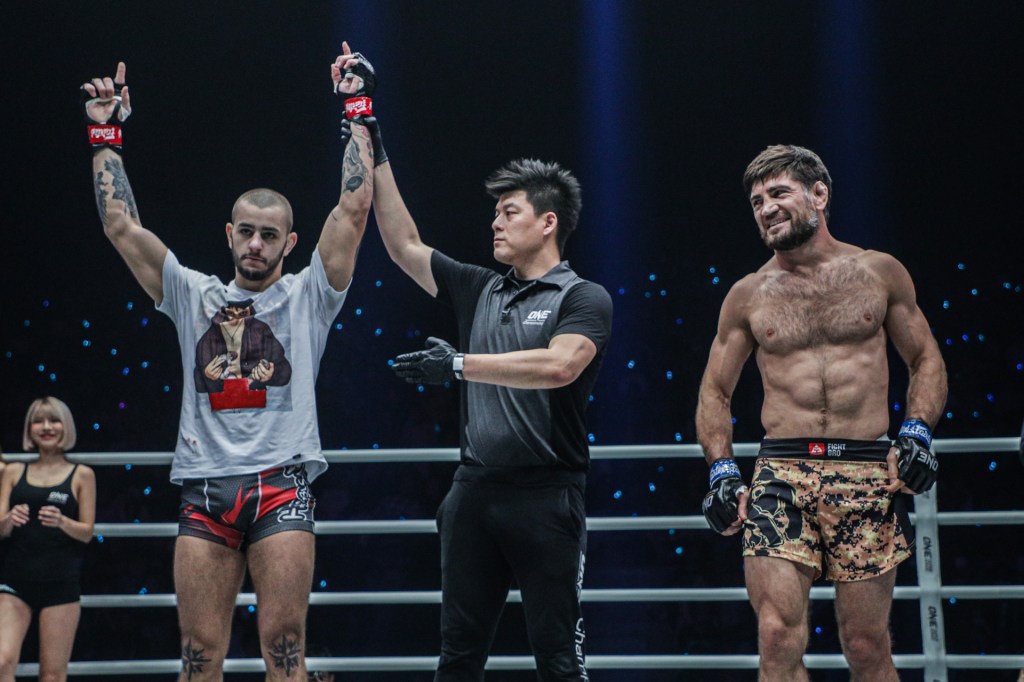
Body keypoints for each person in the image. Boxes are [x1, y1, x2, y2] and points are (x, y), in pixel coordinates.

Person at [81, 43, 375, 681]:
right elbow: (120, 226)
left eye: (270, 234)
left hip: (282, 486)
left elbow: (354, 208)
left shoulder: (309, 294)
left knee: (286, 646)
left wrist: (356, 104)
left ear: (288, 243)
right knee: (198, 655)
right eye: (246, 230)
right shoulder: (191, 293)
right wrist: (105, 128)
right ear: (229, 233)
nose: (256, 243)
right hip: (204, 486)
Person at [342, 52, 612, 681]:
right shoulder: (477, 287)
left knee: (559, 660)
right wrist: (368, 128)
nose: (494, 221)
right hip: (473, 491)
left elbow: (560, 367)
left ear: (548, 223)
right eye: (494, 212)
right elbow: (402, 243)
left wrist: (459, 364)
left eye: (508, 212)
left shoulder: (582, 297)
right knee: (458, 657)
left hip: (548, 494)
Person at [695, 144, 948, 681]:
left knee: (865, 643)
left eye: (779, 193)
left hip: (866, 470)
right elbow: (714, 392)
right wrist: (721, 470)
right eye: (757, 201)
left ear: (819, 195)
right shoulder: (747, 296)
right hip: (780, 474)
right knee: (776, 636)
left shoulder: (879, 272)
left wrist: (917, 433)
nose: (766, 208)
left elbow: (925, 359)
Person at [0, 397, 97, 682]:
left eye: (53, 420)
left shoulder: (82, 474)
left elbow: (88, 532)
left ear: (65, 426)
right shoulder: (13, 471)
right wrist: (8, 520)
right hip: (15, 580)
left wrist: (62, 522)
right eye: (39, 421)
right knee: (2, 660)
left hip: (60, 583)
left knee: (53, 675)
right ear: (29, 428)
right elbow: (0, 529)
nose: (46, 427)